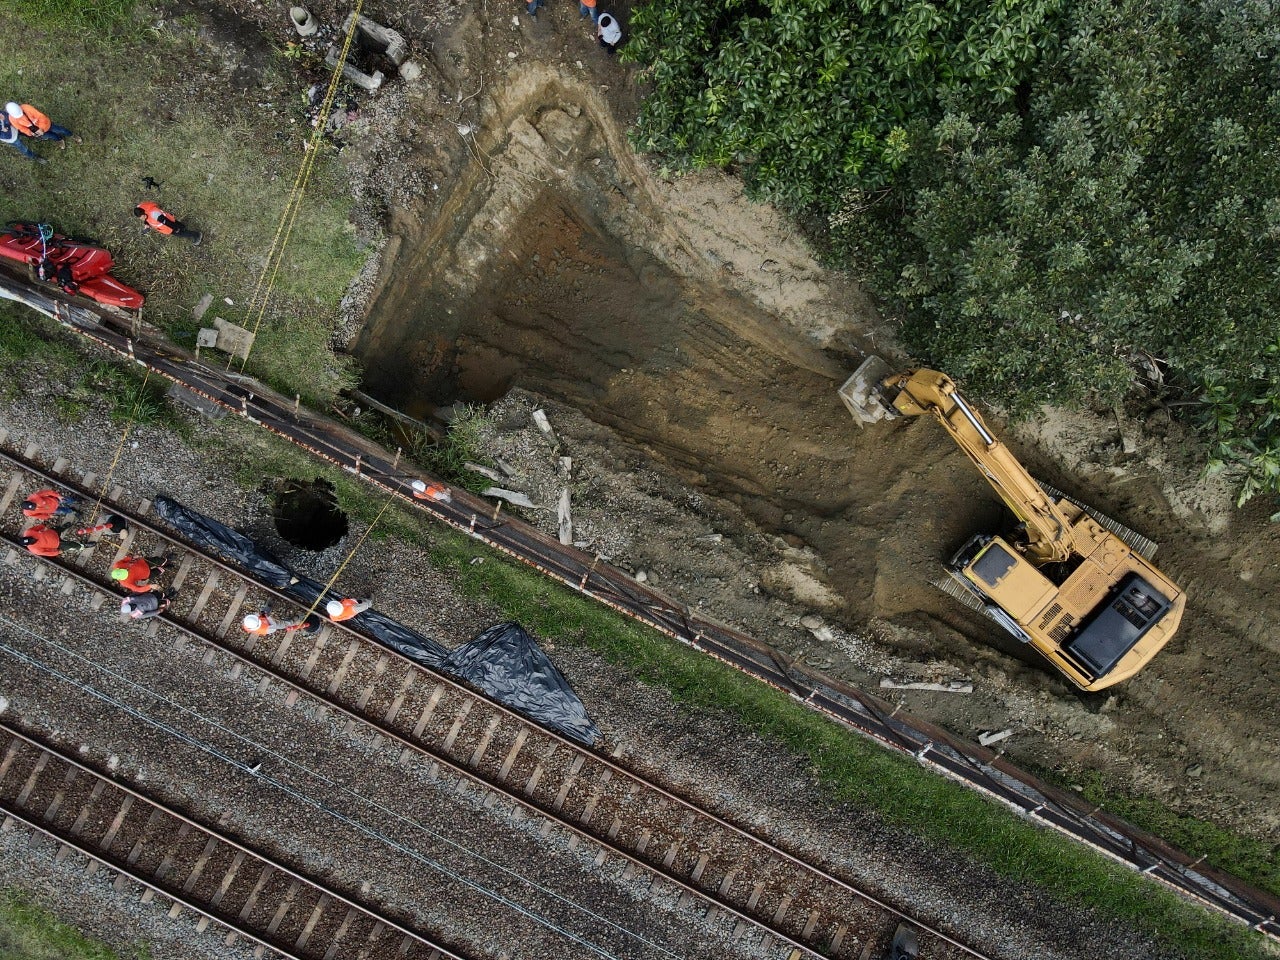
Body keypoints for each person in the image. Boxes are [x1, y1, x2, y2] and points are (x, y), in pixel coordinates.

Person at [5, 102, 78, 148]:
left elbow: (41, 117)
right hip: (37, 133)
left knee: (61, 130)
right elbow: (21, 128)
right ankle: (59, 139)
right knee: (51, 136)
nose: (20, 117)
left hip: (46, 125)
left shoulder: (26, 108)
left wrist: (41, 129)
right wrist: (30, 133)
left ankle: (72, 135)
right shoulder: (12, 119)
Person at [133, 202, 202, 244]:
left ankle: (197, 235)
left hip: (168, 227)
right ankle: (182, 227)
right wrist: (146, 224)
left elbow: (167, 222)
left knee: (180, 233)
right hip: (169, 219)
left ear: (144, 213)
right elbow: (147, 217)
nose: (142, 219)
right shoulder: (141, 207)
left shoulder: (155, 215)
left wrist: (175, 228)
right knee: (178, 225)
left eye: (142, 217)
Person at [242, 611, 320, 636]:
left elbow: (256, 615)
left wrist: (261, 615)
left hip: (266, 620)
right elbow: (275, 626)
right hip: (273, 624)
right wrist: (268, 618)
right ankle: (298, 617)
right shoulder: (266, 630)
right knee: (288, 623)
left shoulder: (249, 622)